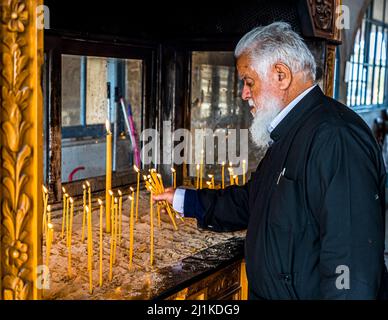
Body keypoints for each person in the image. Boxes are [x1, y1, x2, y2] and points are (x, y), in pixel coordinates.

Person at [154, 22, 387, 300]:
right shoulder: (293, 129)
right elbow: (253, 200)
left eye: (249, 81)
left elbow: (351, 267)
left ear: (281, 75)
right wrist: (185, 200)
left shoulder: (335, 138)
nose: (244, 94)